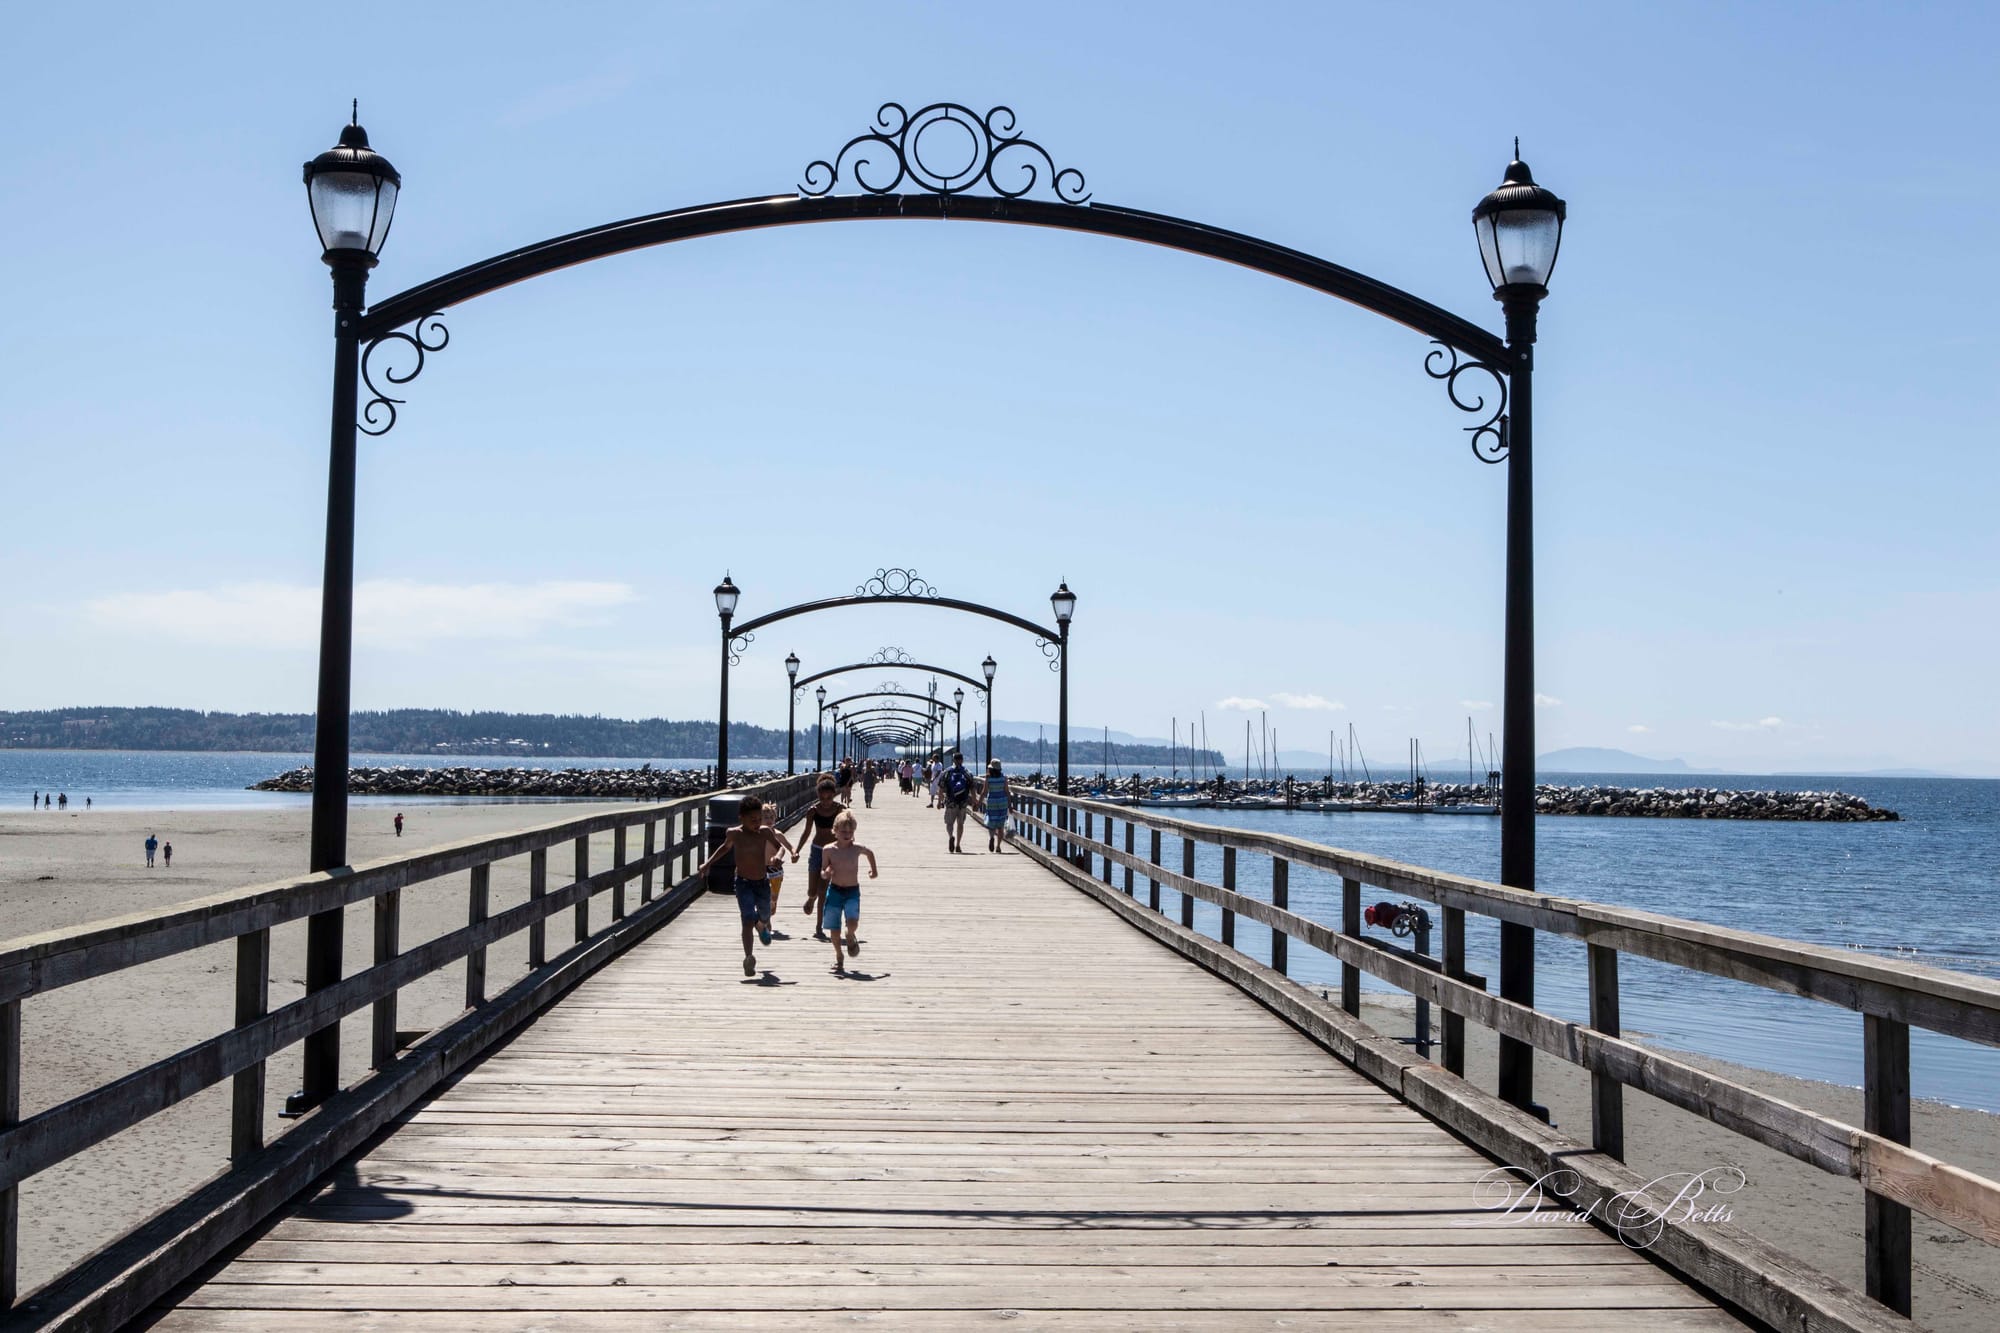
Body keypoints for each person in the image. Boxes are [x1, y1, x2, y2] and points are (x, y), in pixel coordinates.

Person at [695, 797, 794, 977]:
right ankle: (748, 957)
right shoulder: (735, 834)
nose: (757, 823)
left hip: (762, 883)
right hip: (743, 883)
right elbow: (724, 848)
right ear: (741, 818)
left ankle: (761, 924)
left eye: (758, 819)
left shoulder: (764, 832)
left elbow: (780, 847)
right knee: (746, 920)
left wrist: (778, 857)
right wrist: (707, 864)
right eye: (752, 820)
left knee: (765, 914)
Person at [818, 810, 877, 976]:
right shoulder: (828, 850)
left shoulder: (856, 849)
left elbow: (870, 853)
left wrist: (874, 871)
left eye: (850, 832)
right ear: (835, 830)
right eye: (843, 831)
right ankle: (839, 956)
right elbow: (823, 871)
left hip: (852, 891)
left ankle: (850, 935)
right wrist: (826, 873)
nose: (847, 835)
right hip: (835, 891)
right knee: (834, 928)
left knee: (853, 923)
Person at [792, 778, 846, 942]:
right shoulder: (813, 811)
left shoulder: (840, 810)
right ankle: (810, 898)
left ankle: (819, 927)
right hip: (816, 851)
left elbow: (847, 831)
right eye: (822, 798)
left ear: (834, 795)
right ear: (818, 796)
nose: (826, 802)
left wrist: (849, 849)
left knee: (823, 891)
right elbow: (806, 832)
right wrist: (796, 851)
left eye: (829, 798)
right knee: (813, 891)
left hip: (833, 853)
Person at [941, 752, 974, 853]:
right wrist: (975, 800)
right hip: (963, 802)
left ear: (953, 760)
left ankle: (951, 836)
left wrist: (939, 801)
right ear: (962, 760)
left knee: (949, 823)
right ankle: (958, 845)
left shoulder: (947, 772)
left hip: (951, 801)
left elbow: (941, 787)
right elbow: (972, 787)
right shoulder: (967, 772)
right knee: (960, 823)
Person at [981, 758, 1011, 853]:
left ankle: (991, 837)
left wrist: (978, 803)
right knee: (1001, 826)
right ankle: (998, 846)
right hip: (1002, 803)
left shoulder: (988, 778)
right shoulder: (1004, 778)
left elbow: (984, 792)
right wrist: (1010, 805)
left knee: (992, 823)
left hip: (992, 803)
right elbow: (1007, 792)